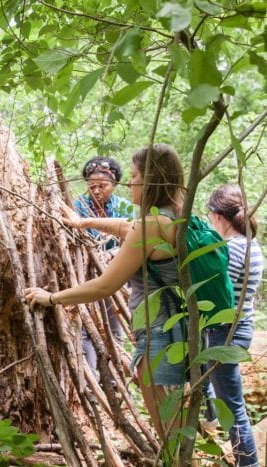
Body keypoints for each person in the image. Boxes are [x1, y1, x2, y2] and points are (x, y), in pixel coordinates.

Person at [26, 144, 188, 444]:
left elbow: (105, 285)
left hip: (160, 335)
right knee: (177, 428)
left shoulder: (152, 226)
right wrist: (82, 221)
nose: (131, 182)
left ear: (151, 180)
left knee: (171, 433)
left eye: (136, 175)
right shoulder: (174, 215)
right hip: (178, 330)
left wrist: (50, 298)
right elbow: (127, 227)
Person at [204, 184, 265, 467]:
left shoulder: (229, 249)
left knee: (233, 402)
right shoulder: (252, 245)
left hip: (224, 331)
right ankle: (211, 421)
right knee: (207, 382)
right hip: (240, 327)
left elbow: (217, 293)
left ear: (218, 216)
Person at [70, 156, 133, 377]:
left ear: (114, 185)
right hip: (85, 274)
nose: (96, 191)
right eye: (92, 186)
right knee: (87, 327)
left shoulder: (125, 208)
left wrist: (113, 254)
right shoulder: (76, 207)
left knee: (113, 327)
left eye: (103, 186)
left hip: (115, 275)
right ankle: (93, 378)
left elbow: (132, 237)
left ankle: (115, 378)